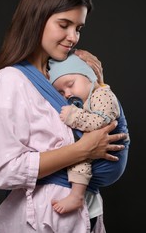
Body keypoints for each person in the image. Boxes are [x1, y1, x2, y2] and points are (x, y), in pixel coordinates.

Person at [0, 0, 130, 232]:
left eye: (79, 28)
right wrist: (82, 151)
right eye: (64, 24)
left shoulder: (65, 77)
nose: (73, 37)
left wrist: (97, 82)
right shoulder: (9, 82)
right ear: (37, 18)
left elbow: (101, 118)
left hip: (86, 216)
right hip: (42, 221)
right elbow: (3, 171)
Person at [48, 53, 123, 214]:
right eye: (61, 92)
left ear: (89, 77)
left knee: (79, 158)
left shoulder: (103, 95)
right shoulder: (87, 99)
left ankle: (77, 196)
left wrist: (74, 117)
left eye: (70, 84)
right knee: (78, 153)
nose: (67, 93)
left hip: (110, 154)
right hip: (100, 153)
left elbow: (100, 122)